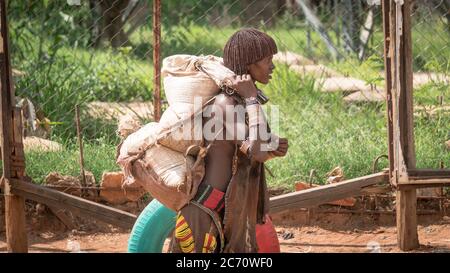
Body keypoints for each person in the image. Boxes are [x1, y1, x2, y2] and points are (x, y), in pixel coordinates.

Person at [170, 28, 289, 253]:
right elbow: (254, 149)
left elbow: (259, 152)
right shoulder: (227, 104)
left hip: (232, 211)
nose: (272, 66)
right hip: (206, 212)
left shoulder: (245, 102)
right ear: (248, 65)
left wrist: (273, 148)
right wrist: (252, 98)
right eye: (267, 60)